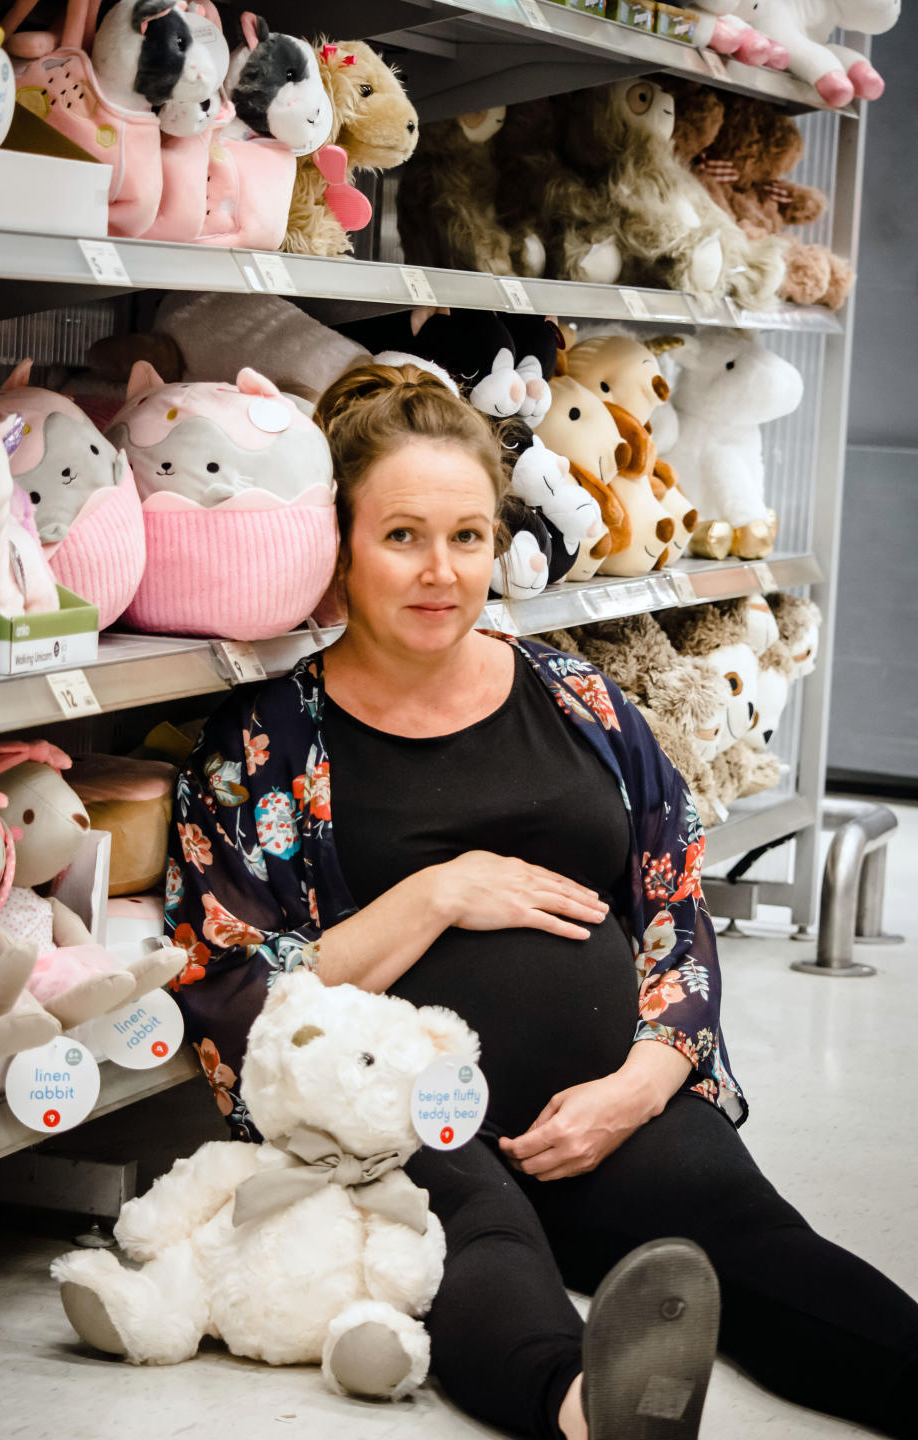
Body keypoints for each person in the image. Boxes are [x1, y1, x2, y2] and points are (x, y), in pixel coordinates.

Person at [166, 363, 918, 1440]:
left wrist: (646, 1079)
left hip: (610, 1095)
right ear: (341, 544)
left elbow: (676, 904)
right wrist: (435, 893)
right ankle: (589, 1411)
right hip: (408, 1118)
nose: (441, 572)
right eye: (403, 537)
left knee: (748, 1230)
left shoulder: (579, 701)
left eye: (467, 537)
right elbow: (228, 978)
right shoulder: (264, 745)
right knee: (481, 1245)